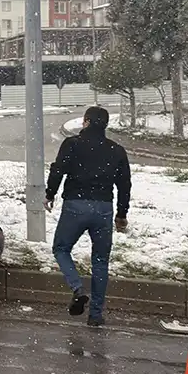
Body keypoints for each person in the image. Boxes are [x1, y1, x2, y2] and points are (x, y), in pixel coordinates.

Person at [45, 105, 132, 327]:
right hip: (104, 208)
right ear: (105, 125)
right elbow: (124, 185)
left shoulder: (72, 144)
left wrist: (50, 193)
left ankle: (77, 288)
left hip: (76, 204)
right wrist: (122, 214)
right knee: (101, 261)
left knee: (61, 248)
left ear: (85, 122)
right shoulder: (116, 150)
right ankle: (95, 315)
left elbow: (58, 169)